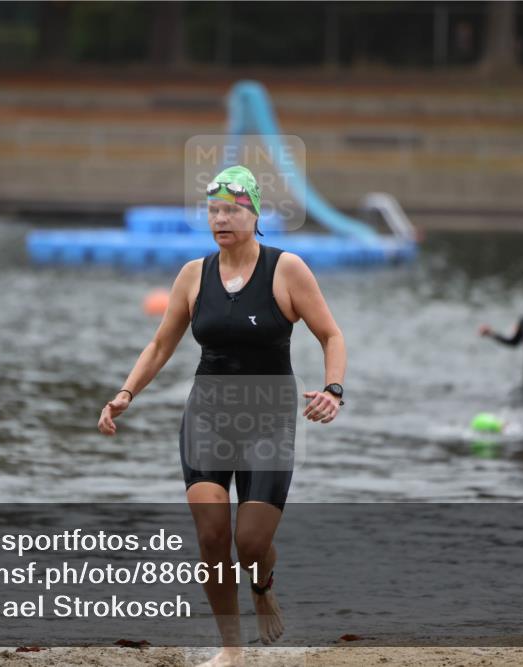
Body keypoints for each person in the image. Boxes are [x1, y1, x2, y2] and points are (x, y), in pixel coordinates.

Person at [97, 165, 347, 666]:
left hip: (269, 417)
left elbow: (331, 336)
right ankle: (231, 648)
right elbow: (161, 343)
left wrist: (334, 390)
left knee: (251, 543)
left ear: (254, 214)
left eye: (232, 209)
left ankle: (263, 582)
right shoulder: (194, 274)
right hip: (207, 416)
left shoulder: (287, 269)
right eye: (213, 210)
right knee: (212, 537)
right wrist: (126, 392)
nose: (221, 218)